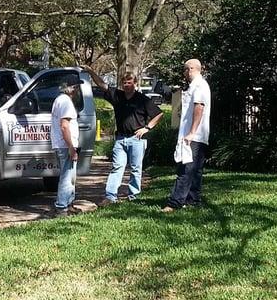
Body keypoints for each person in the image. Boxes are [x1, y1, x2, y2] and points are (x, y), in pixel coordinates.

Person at [82, 65, 163, 204]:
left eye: (129, 82)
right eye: (124, 83)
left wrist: (147, 128)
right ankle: (110, 197)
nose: (126, 85)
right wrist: (90, 72)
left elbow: (159, 114)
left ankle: (134, 197)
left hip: (137, 139)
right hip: (120, 138)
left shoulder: (142, 99)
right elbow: (102, 85)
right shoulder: (117, 96)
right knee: (117, 167)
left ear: (135, 84)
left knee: (136, 169)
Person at [162, 59, 211, 212]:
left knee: (186, 168)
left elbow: (199, 107)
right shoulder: (196, 86)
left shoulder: (200, 86)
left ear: (190, 69)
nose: (184, 74)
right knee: (196, 169)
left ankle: (174, 202)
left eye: (184, 70)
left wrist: (191, 132)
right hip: (197, 135)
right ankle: (193, 199)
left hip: (194, 136)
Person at [51, 74, 83, 217]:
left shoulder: (59, 100)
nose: (77, 90)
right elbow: (65, 126)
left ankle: (69, 204)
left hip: (62, 144)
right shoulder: (66, 102)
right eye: (76, 87)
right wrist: (71, 147)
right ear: (71, 88)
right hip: (65, 145)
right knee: (66, 176)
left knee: (70, 175)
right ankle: (61, 206)